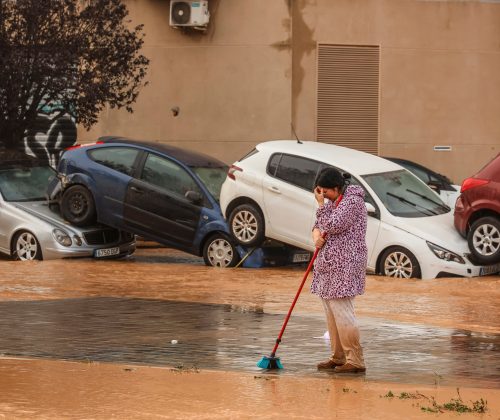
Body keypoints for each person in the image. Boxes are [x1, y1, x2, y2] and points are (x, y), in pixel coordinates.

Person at [311, 167, 367, 373]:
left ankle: (355, 360)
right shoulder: (335, 203)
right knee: (331, 312)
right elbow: (318, 225)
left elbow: (333, 224)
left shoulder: (353, 202)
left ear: (336, 187)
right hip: (328, 266)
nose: (323, 197)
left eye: (326, 192)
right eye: (320, 193)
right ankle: (338, 356)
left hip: (346, 264)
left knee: (343, 311)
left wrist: (320, 204)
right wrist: (316, 237)